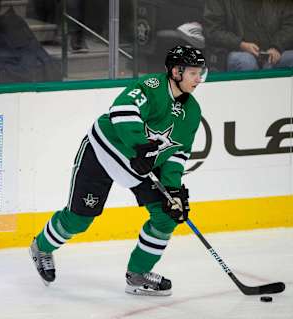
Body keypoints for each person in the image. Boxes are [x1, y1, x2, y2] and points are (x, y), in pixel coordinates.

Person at [29, 45, 207, 296]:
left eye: (201, 73)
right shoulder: (153, 86)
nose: (199, 79)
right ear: (177, 72)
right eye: (193, 73)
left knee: (166, 217)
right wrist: (139, 146)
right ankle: (42, 246)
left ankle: (138, 274)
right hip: (105, 150)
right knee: (79, 220)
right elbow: (122, 110)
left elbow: (177, 153)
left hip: (141, 165)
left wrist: (173, 188)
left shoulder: (192, 112)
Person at [203, 0, 293, 71]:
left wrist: (277, 47)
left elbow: (291, 24)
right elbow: (213, 30)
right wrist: (240, 44)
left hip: (272, 54)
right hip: (234, 52)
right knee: (246, 61)